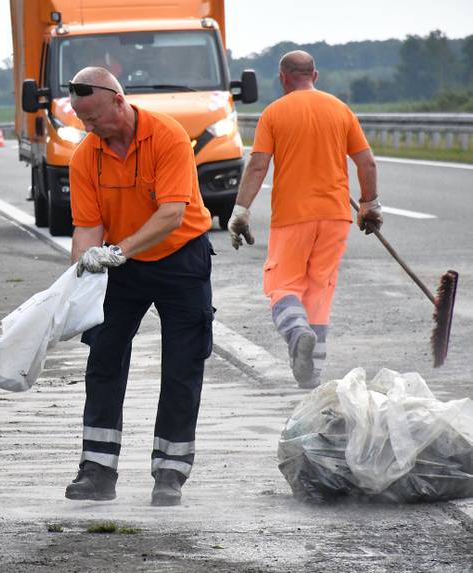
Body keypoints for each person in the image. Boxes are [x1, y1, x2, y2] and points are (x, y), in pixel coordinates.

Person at [66, 67, 215, 506]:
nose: (89, 129)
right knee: (104, 358)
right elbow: (87, 228)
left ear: (118, 100)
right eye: (82, 121)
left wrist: (119, 251)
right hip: (121, 265)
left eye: (94, 118)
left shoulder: (166, 137)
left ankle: (170, 472)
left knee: (183, 365)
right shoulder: (85, 156)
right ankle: (97, 471)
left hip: (180, 258)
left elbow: (171, 213)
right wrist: (83, 266)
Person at [228, 50, 382, 388]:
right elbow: (367, 163)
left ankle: (298, 333)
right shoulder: (340, 110)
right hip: (335, 217)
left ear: (283, 78)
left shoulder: (274, 113)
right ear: (316, 75)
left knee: (283, 285)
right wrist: (369, 205)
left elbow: (257, 165)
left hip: (293, 217)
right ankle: (311, 375)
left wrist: (240, 210)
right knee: (319, 291)